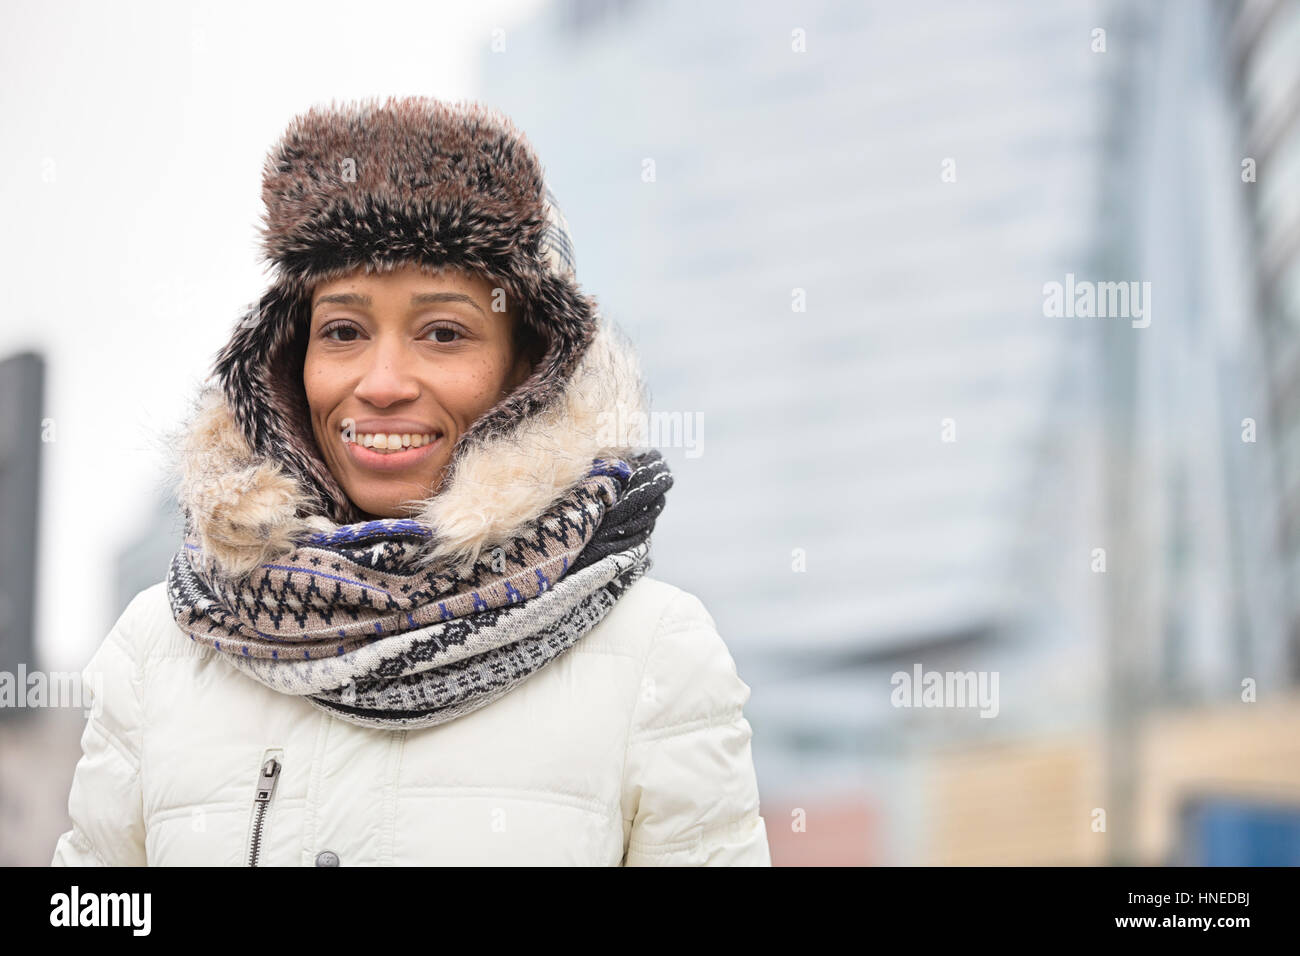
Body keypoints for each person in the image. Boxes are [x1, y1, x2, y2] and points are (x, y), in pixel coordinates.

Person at [49, 95, 771, 866]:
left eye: (443, 333)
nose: (383, 382)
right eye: (344, 332)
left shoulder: (655, 655)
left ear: (527, 367)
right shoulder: (158, 650)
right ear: (288, 363)